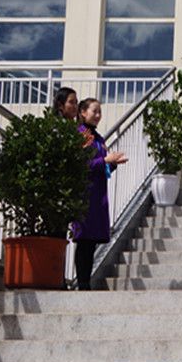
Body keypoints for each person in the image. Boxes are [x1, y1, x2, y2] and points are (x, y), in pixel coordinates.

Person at [73, 97, 128, 290]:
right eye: (94, 111)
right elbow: (82, 164)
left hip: (97, 194)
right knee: (84, 240)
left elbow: (101, 167)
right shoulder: (80, 134)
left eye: (99, 112)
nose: (97, 115)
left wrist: (112, 163)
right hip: (85, 194)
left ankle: (85, 281)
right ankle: (82, 283)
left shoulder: (98, 138)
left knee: (91, 241)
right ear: (83, 113)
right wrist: (105, 160)